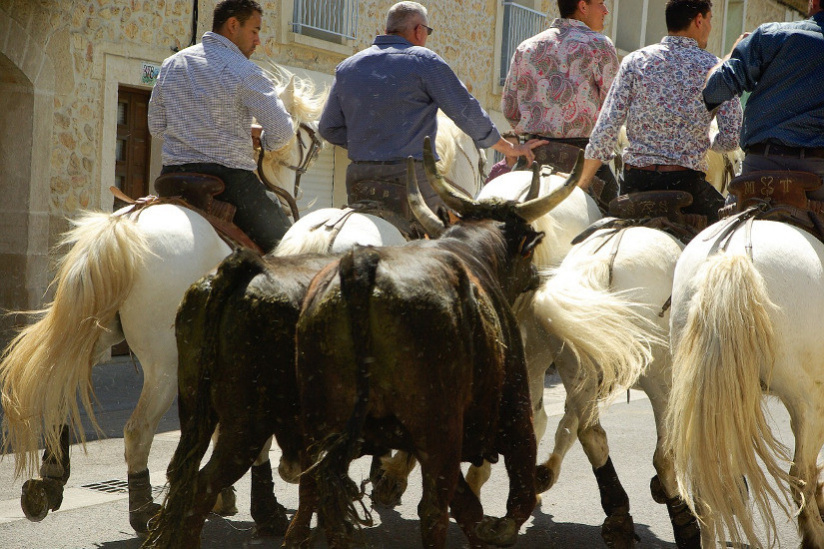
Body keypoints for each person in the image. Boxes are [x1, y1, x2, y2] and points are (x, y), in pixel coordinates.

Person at [318, 1, 545, 228]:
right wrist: (510, 148)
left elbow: (328, 127)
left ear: (387, 28)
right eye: (427, 31)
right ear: (419, 30)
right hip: (411, 179)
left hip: (359, 178)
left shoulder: (347, 66)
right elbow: (465, 112)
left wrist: (368, 143)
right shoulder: (424, 61)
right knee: (450, 239)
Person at [148, 0, 294, 253]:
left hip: (172, 178)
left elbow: (157, 127)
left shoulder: (172, 64)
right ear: (233, 25)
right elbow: (282, 131)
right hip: (229, 184)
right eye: (255, 30)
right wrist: (264, 141)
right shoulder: (245, 71)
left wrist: (198, 131)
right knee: (288, 250)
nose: (258, 40)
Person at [579, 0, 742, 223]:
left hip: (635, 184)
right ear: (699, 20)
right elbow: (732, 138)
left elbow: (606, 128)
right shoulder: (716, 69)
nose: (711, 27)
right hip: (687, 188)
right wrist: (709, 139)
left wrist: (582, 183)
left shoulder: (634, 61)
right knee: (728, 240)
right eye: (711, 20)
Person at [502, 0, 620, 205]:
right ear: (582, 6)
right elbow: (613, 110)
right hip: (581, 159)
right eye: (601, 3)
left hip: (533, 155)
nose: (605, 10)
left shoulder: (526, 47)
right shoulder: (599, 45)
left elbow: (510, 108)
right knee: (615, 223)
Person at [703, 0, 824, 192]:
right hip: (817, 175)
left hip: (759, 169)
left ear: (814, 2)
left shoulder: (771, 36)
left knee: (727, 218)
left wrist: (731, 54)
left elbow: (715, 89)